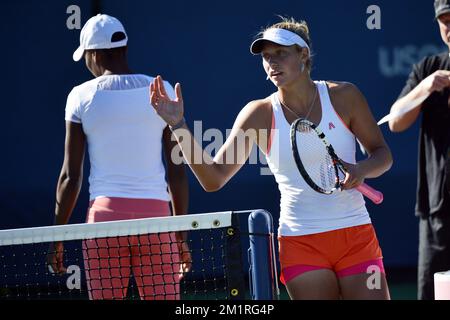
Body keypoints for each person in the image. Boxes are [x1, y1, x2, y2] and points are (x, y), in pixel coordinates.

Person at [150, 16, 393, 300]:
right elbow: (213, 179)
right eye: (266, 56)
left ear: (303, 54)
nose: (272, 63)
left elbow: (382, 154)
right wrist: (178, 125)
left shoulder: (344, 96)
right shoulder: (259, 114)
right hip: (300, 243)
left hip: (356, 236)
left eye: (281, 53)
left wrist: (362, 169)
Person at [46, 14, 191, 300]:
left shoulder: (79, 96)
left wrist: (56, 239)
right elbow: (177, 172)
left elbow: (69, 177)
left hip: (104, 221)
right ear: (123, 48)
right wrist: (181, 234)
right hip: (157, 221)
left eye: (86, 56)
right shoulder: (161, 91)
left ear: (94, 53)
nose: (87, 64)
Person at [389, 0, 450, 300]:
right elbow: (396, 121)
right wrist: (425, 87)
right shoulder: (428, 68)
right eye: (445, 20)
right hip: (438, 207)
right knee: (436, 293)